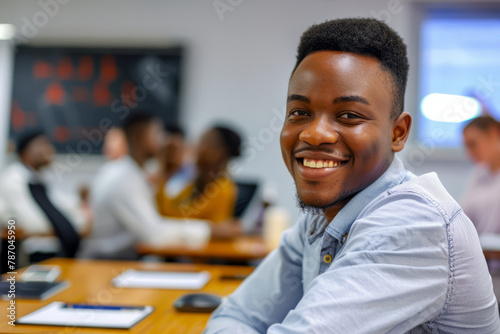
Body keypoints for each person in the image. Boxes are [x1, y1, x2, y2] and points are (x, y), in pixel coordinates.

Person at [205, 18, 499, 333]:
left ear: (397, 133)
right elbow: (235, 317)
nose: (315, 133)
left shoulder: (414, 225)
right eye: (300, 113)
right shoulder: (321, 217)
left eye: (348, 115)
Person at [78, 112, 212, 260]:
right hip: (105, 263)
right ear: (140, 137)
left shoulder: (130, 172)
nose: (163, 141)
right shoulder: (124, 179)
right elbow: (154, 235)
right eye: (157, 134)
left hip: (119, 260)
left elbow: (155, 220)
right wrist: (209, 229)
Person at [0, 130, 89, 261]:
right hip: (29, 255)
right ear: (25, 152)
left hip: (56, 251)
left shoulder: (40, 179)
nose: (49, 149)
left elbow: (63, 206)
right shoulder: (14, 179)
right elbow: (31, 223)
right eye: (42, 145)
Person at [156, 125, 240, 224]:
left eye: (203, 142)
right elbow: (168, 209)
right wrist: (167, 173)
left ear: (218, 153)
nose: (196, 146)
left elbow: (178, 217)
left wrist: (163, 174)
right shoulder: (198, 182)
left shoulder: (223, 188)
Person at [462, 116, 500, 235]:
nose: (470, 154)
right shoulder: (479, 173)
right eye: (467, 147)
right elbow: (464, 217)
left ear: (494, 133)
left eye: (473, 144)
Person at [159, 124, 196, 198]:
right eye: (168, 148)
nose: (171, 153)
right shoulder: (151, 171)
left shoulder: (191, 176)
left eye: (175, 149)